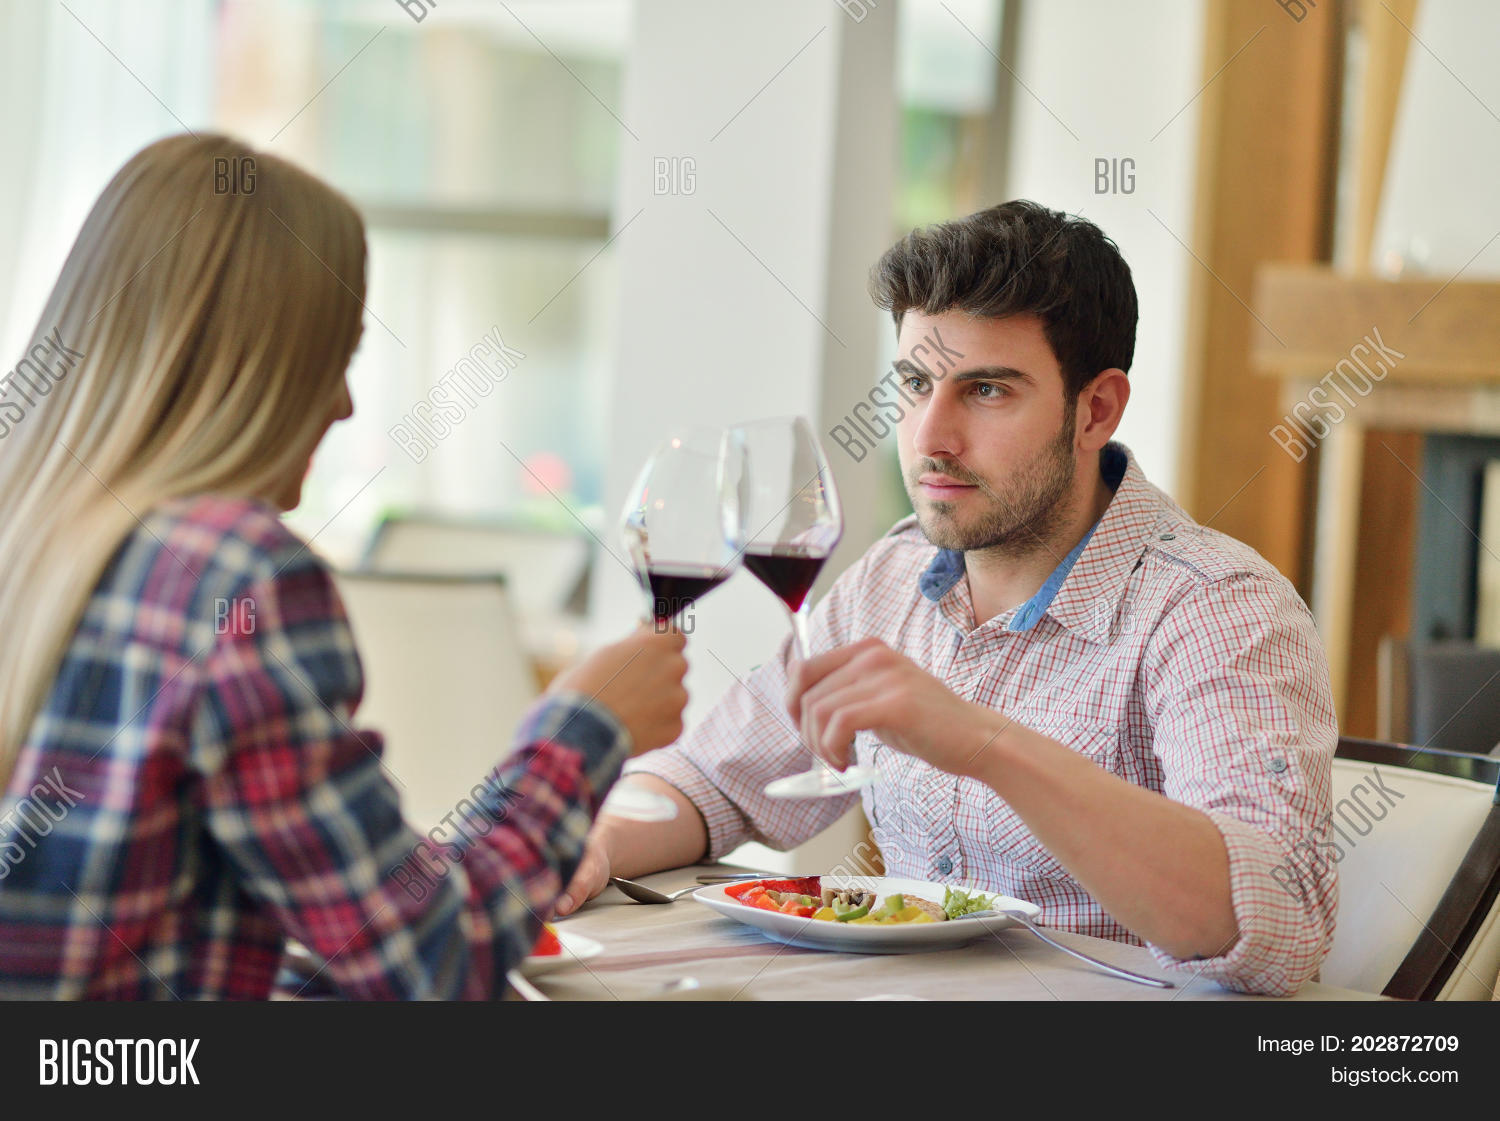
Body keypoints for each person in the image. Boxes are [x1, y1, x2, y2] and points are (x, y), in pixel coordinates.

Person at [558, 201, 1339, 997]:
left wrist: (982, 742)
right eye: (916, 382)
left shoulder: (1217, 609)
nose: (931, 435)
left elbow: (1279, 922)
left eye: (988, 390)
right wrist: (599, 843)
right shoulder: (892, 578)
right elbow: (710, 780)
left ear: (1095, 409)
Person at [0, 134, 688, 999]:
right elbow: (433, 959)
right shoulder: (234, 576)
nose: (346, 401)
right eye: (337, 355)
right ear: (254, 364)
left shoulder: (35, 539)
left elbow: (343, 919)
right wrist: (586, 727)